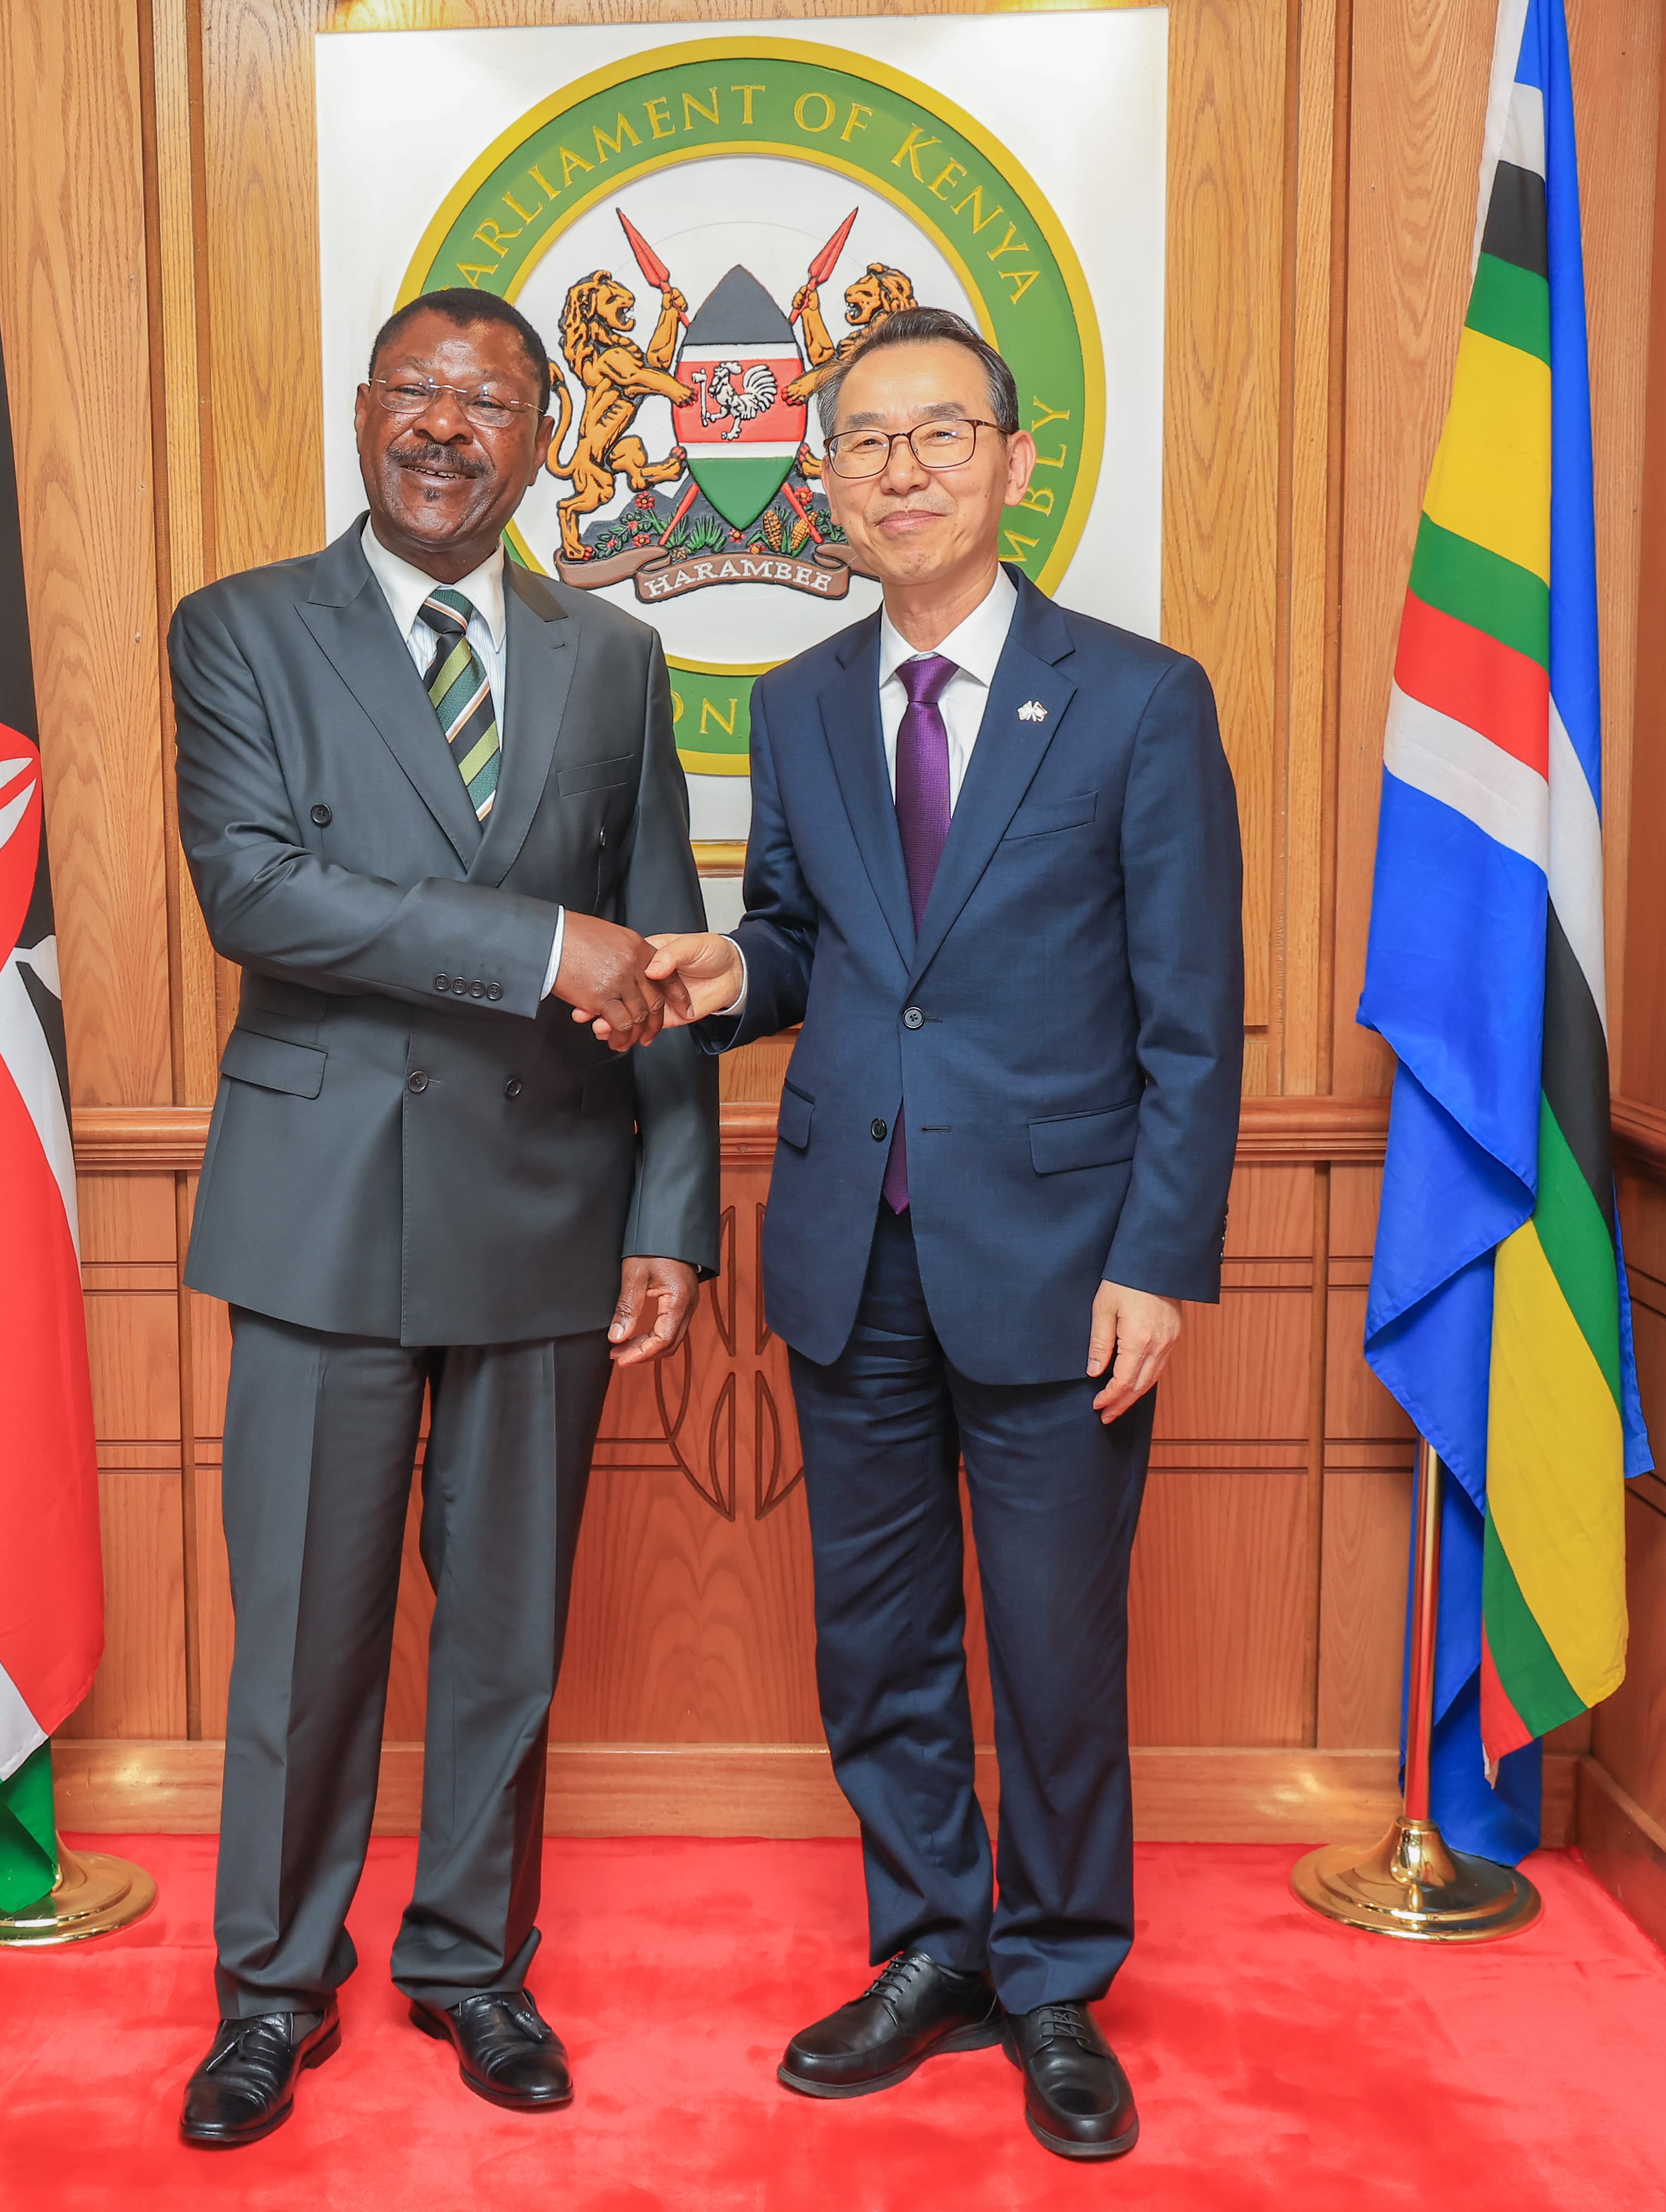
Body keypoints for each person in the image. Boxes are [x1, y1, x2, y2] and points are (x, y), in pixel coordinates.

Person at [623, 306, 1243, 2160]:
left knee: (1052, 1648)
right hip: (848, 1246)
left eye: (938, 433)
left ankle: (1052, 1975)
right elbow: (808, 941)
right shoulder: (800, 701)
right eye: (865, 441)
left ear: (1011, 461)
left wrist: (1158, 1258)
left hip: (1063, 1265)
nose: (900, 470)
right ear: (823, 480)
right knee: (875, 1639)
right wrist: (729, 970)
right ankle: (930, 1948)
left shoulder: (1137, 698)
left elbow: (1191, 1018)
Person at [169, 288, 717, 2147]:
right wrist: (537, 943)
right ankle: (271, 1986)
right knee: (302, 1635)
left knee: (505, 1633)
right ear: (360, 411)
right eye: (414, 390)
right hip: (320, 1208)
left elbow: (657, 940)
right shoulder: (241, 627)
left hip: (551, 1206)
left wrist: (672, 1209)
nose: (443, 425)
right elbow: (257, 893)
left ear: (543, 440)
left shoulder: (613, 654)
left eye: (487, 401)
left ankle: (474, 1960)